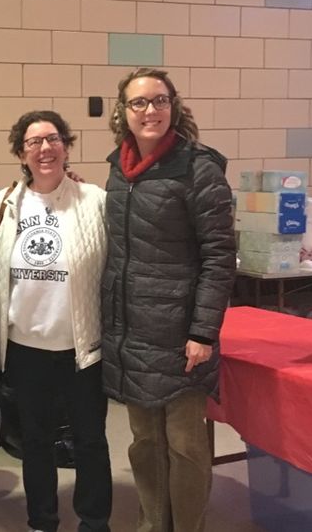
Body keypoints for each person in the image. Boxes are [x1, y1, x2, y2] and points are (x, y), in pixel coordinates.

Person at [101, 67, 236, 532]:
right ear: (123, 112)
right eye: (138, 103)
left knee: (184, 443)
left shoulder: (199, 168)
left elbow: (220, 256)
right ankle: (152, 524)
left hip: (181, 334)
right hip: (131, 332)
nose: (150, 110)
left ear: (174, 106)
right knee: (143, 441)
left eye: (159, 100)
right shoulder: (116, 170)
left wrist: (203, 331)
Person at [0, 110, 112, 532]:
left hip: (81, 348)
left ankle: (94, 520)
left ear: (67, 146)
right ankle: (42, 520)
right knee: (35, 442)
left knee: (90, 440)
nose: (45, 148)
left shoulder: (94, 201)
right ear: (21, 152)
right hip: (25, 348)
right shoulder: (1, 206)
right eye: (34, 142)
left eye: (53, 139)